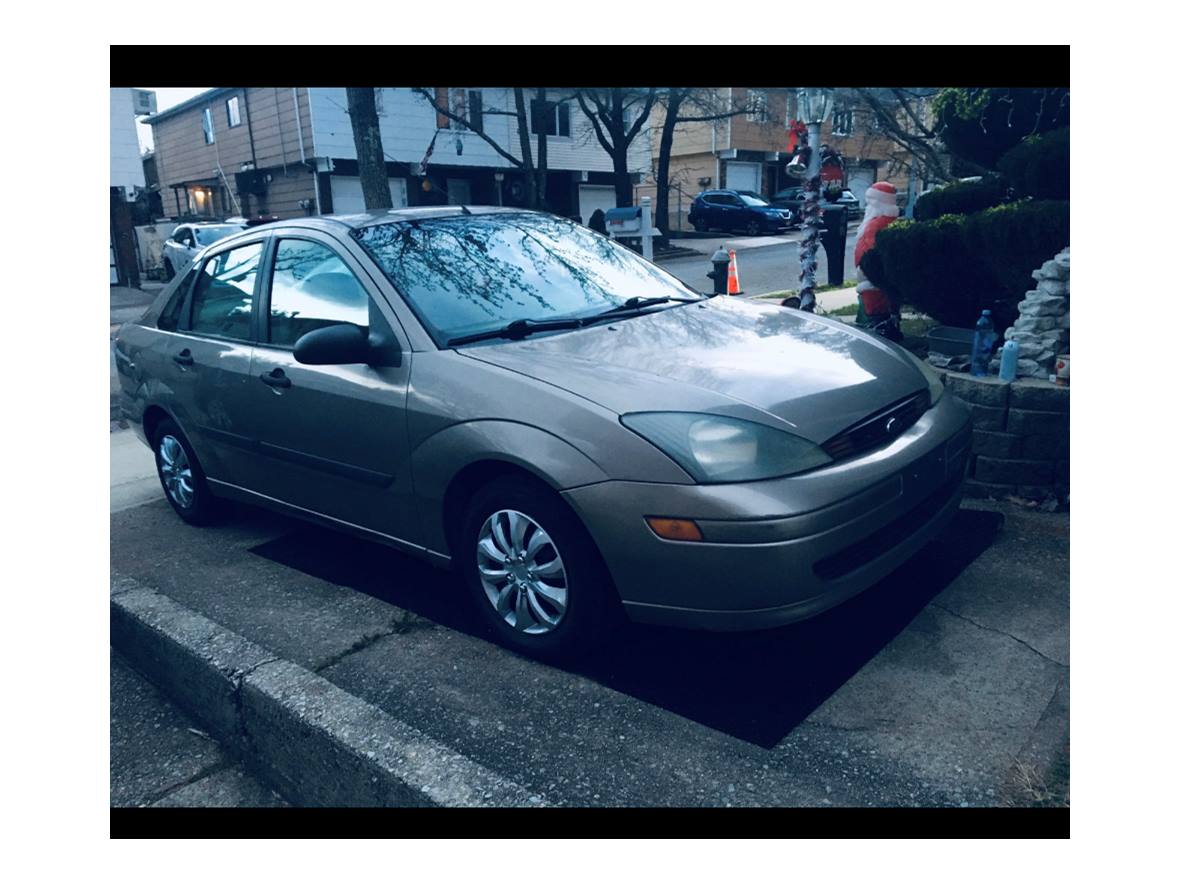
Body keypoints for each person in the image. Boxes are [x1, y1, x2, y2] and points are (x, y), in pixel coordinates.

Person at [853, 181, 903, 341]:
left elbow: (869, 252)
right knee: (886, 312)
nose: (868, 206)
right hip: (877, 280)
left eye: (870, 201)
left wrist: (866, 270)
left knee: (876, 316)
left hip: (871, 281)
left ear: (878, 202)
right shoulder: (888, 222)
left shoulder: (875, 225)